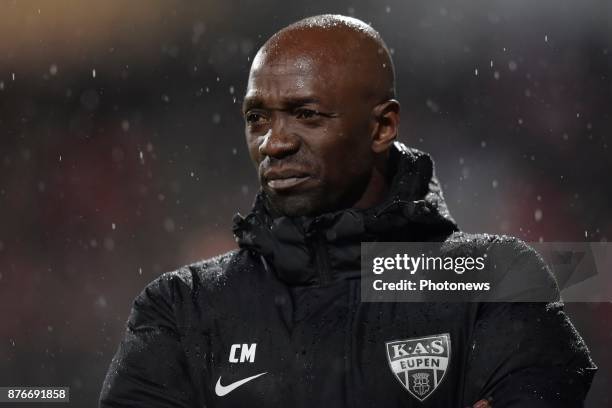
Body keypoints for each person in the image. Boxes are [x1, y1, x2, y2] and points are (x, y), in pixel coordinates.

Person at [99, 15, 596, 408]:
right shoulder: (181, 308)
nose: (273, 143)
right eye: (257, 118)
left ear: (382, 128)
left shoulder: (494, 280)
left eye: (306, 114)